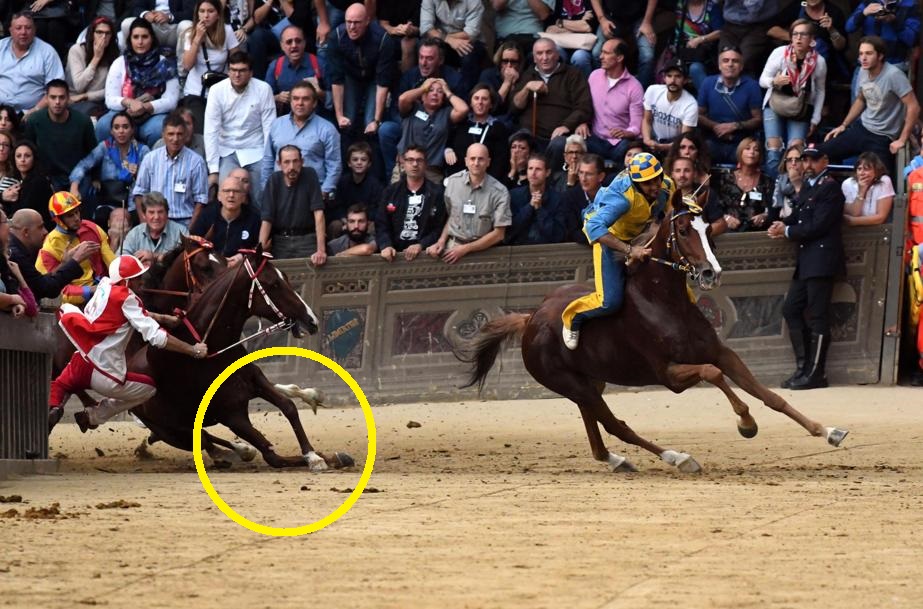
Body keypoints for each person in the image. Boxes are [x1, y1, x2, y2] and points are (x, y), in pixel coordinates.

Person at [52, 254, 208, 433]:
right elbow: (157, 338)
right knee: (149, 389)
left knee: (58, 386)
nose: (141, 281)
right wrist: (193, 350)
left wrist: (163, 318)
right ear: (126, 282)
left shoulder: (105, 285)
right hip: (104, 372)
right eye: (137, 278)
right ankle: (96, 415)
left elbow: (131, 312)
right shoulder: (127, 298)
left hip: (80, 360)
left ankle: (49, 417)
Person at [561, 152, 675, 350]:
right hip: (611, 237)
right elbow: (594, 228)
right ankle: (573, 316)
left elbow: (669, 207)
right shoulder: (622, 199)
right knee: (610, 302)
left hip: (639, 230)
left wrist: (658, 223)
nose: (655, 186)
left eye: (657, 179)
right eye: (648, 183)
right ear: (636, 183)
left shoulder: (666, 184)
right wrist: (630, 250)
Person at [767, 144, 844, 390]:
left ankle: (815, 373)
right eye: (805, 160)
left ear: (825, 161)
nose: (807, 165)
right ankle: (803, 368)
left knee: (818, 316)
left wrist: (787, 230)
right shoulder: (811, 187)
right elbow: (799, 216)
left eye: (813, 160)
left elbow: (818, 225)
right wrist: (781, 224)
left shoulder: (831, 187)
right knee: (791, 309)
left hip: (821, 260)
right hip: (808, 260)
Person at [821, 36, 919, 177]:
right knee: (818, 153)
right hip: (862, 128)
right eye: (861, 54)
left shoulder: (894, 75)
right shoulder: (862, 71)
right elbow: (861, 99)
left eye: (868, 53)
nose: (863, 58)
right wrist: (844, 124)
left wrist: (902, 140)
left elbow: (913, 106)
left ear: (880, 56)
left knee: (883, 179)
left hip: (883, 136)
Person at [203, 51, 276, 206]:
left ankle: (261, 229)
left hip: (256, 149)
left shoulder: (264, 89)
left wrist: (269, 161)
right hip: (227, 150)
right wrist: (214, 170)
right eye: (233, 70)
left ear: (251, 73)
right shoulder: (216, 90)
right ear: (228, 71)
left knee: (261, 195)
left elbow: (270, 128)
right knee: (226, 192)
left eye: (242, 70)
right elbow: (211, 130)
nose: (237, 75)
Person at [758, 20, 827, 177]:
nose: (798, 38)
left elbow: (821, 91)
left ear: (812, 39)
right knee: (773, 149)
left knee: (796, 152)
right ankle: (773, 193)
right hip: (775, 104)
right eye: (795, 34)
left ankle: (793, 192)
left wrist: (815, 119)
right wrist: (774, 82)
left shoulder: (819, 62)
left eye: (803, 34)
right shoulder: (780, 53)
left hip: (801, 108)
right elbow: (763, 80)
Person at [97, 18, 181, 147]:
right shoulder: (120, 62)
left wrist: (145, 107)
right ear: (129, 39)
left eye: (144, 37)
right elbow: (110, 98)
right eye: (136, 37)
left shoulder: (165, 63)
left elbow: (171, 101)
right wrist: (130, 103)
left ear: (152, 38)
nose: (140, 42)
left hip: (153, 114)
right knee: (103, 125)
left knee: (157, 130)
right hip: (123, 113)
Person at [511, 38, 592, 171]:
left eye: (549, 52)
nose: (544, 58)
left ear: (557, 54)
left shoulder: (572, 74)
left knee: (560, 144)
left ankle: (551, 181)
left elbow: (584, 106)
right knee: (519, 143)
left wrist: (566, 125)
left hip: (558, 135)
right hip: (530, 135)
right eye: (539, 53)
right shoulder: (527, 75)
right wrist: (527, 88)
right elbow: (515, 107)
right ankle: (520, 180)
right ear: (534, 57)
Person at [429, 143, 510, 264]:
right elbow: (451, 216)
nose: (476, 163)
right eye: (472, 159)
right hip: (452, 248)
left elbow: (499, 234)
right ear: (466, 161)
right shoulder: (453, 183)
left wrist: (465, 249)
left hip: (484, 252)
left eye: (481, 159)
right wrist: (441, 241)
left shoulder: (500, 192)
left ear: (488, 162)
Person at [260, 81, 340, 202]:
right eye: (296, 99)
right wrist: (266, 189)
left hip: (313, 193)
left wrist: (324, 192)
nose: (300, 103)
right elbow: (268, 159)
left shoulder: (327, 129)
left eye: (305, 99)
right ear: (291, 102)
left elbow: (334, 164)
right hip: (280, 193)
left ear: (314, 103)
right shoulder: (277, 124)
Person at [327, 3, 397, 138]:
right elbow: (337, 78)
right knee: (347, 121)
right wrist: (339, 115)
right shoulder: (337, 36)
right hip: (350, 76)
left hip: (374, 78)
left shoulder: (382, 39)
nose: (352, 27)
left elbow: (383, 82)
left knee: (370, 123)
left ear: (367, 21)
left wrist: (376, 121)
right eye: (349, 22)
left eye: (357, 23)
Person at [37, 192, 117, 307]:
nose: (77, 218)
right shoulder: (49, 247)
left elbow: (113, 264)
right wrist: (90, 290)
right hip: (74, 304)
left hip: (104, 292)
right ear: (59, 219)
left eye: (77, 212)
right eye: (70, 215)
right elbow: (51, 291)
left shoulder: (92, 228)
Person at [69, 112, 150, 225]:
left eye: (125, 127)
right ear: (111, 131)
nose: (121, 131)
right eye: (116, 127)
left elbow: (152, 179)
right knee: (101, 217)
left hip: (133, 203)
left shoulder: (142, 150)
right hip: (109, 201)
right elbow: (84, 165)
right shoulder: (105, 147)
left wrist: (138, 174)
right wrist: (74, 186)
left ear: (132, 130)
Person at [132, 112, 209, 227]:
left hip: (184, 221)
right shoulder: (150, 159)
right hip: (154, 221)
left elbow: (201, 200)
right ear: (163, 135)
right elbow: (139, 193)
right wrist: (144, 223)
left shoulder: (196, 162)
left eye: (179, 134)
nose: (175, 139)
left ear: (185, 134)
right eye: (171, 134)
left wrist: (189, 232)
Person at [577, 37, 643, 169]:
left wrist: (626, 133)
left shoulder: (634, 87)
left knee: (628, 149)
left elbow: (636, 126)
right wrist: (582, 122)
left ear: (619, 58)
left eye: (606, 53)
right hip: (595, 138)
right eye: (601, 52)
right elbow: (584, 105)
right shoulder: (594, 76)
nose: (601, 56)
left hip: (619, 144)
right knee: (577, 141)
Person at [24, 80, 99, 195]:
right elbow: (28, 150)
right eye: (53, 97)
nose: (57, 102)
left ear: (68, 98)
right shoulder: (34, 121)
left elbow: (92, 153)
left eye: (61, 97)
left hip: (77, 176)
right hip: (48, 177)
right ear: (46, 98)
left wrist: (95, 178)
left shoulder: (83, 121)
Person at [377, 146, 447, 262]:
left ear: (426, 164)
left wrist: (421, 245)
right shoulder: (390, 192)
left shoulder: (437, 193)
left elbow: (439, 228)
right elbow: (381, 224)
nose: (415, 164)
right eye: (410, 160)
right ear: (403, 163)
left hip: (426, 254)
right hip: (394, 254)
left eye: (419, 160)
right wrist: (386, 245)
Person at [393, 77, 469, 183]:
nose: (435, 94)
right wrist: (423, 88)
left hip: (431, 171)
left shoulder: (446, 113)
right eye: (430, 90)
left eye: (440, 91)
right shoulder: (413, 108)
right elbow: (403, 99)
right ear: (422, 96)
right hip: (406, 166)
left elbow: (463, 109)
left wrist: (447, 91)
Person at [179, 0, 240, 130]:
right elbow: (187, 66)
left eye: (210, 11)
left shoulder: (227, 30)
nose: (206, 15)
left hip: (221, 90)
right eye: (202, 11)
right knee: (201, 129)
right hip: (196, 92)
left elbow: (237, 60)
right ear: (197, 14)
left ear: (218, 14)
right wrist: (197, 39)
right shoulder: (191, 33)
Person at [259, 145, 326, 264]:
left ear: (302, 162)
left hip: (307, 239)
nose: (292, 167)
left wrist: (321, 250)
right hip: (281, 241)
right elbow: (267, 219)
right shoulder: (274, 180)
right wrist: (260, 250)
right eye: (287, 162)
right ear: (279, 164)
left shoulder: (310, 175)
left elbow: (318, 213)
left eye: (295, 161)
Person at [697, 45, 763, 165]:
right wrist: (716, 127)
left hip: (741, 141)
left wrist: (735, 126)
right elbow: (699, 115)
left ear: (741, 66)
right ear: (719, 65)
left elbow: (758, 119)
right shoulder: (708, 83)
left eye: (735, 61)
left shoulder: (752, 86)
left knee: (749, 152)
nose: (730, 64)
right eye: (725, 60)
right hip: (713, 139)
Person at [8, 208, 92, 301]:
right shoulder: (15, 255)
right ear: (26, 232)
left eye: (77, 212)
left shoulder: (17, 250)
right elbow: (45, 288)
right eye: (40, 227)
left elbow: (40, 282)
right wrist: (75, 261)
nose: (45, 232)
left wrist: (65, 263)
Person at [0, 12, 65, 115]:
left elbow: (56, 89)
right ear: (11, 31)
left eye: (28, 28)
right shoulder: (1, 47)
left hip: (33, 113)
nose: (23, 32)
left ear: (35, 30)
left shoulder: (47, 52)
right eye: (18, 28)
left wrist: (35, 110)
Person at [445, 84, 510, 181]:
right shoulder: (461, 123)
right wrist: (447, 150)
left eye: (484, 99)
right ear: (470, 102)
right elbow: (448, 142)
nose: (480, 102)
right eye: (476, 98)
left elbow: (500, 161)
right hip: (459, 181)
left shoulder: (498, 128)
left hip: (485, 183)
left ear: (491, 104)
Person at [190, 176, 260, 264]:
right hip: (210, 266)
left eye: (236, 191)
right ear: (219, 196)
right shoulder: (207, 215)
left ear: (243, 197)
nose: (231, 195)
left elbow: (258, 248)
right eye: (227, 191)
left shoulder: (253, 219)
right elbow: (194, 244)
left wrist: (242, 257)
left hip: (239, 268)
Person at [589, 0, 657, 88]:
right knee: (596, 53)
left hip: (640, 18)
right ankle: (602, 89)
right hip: (611, 17)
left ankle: (641, 95)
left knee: (648, 57)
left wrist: (647, 21)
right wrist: (602, 19)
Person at [420, 0, 485, 92]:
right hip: (441, 40)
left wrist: (442, 36)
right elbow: (426, 28)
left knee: (469, 56)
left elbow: (470, 33)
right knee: (424, 47)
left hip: (467, 41)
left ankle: (465, 97)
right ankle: (424, 91)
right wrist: (448, 40)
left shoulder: (474, 2)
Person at [714, 138, 774, 233]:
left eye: (756, 149)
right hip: (728, 232)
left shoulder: (767, 180)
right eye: (747, 148)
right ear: (740, 152)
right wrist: (726, 218)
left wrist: (764, 216)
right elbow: (714, 206)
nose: (752, 152)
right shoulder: (725, 178)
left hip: (756, 233)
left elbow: (772, 208)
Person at [505, 153, 567, 245]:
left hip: (548, 251)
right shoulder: (514, 195)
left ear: (547, 172)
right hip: (517, 250)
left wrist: (539, 209)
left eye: (538, 169)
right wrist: (530, 206)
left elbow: (557, 235)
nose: (533, 173)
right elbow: (509, 231)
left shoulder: (558, 199)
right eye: (530, 168)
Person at [66, 16, 121, 118]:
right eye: (99, 32)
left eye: (107, 33)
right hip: (75, 102)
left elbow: (113, 89)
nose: (103, 37)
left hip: (101, 101)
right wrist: (96, 58)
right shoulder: (77, 50)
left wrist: (86, 96)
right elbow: (79, 86)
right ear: (92, 34)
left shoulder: (115, 54)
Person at [642, 59, 698, 157]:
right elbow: (646, 120)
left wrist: (662, 147)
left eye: (678, 76)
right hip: (653, 139)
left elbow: (684, 140)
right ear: (664, 78)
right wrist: (647, 140)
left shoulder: (691, 104)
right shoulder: (652, 91)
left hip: (675, 145)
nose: (673, 81)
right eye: (669, 76)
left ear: (685, 80)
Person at [664, 0, 723, 92]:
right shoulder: (680, 4)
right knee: (669, 69)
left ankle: (708, 101)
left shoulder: (712, 7)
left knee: (695, 69)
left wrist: (701, 39)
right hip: (680, 52)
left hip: (703, 55)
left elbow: (720, 32)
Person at [265, 25, 324, 115]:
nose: (294, 45)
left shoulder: (318, 64)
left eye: (298, 41)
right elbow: (265, 98)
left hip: (316, 118)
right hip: (286, 121)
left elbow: (336, 96)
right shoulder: (275, 67)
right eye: (289, 42)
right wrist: (278, 98)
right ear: (282, 45)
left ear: (304, 43)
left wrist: (320, 93)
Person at [121, 192, 189, 265]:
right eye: (151, 212)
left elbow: (185, 260)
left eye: (160, 212)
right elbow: (120, 258)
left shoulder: (181, 232)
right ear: (144, 215)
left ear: (167, 214)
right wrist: (136, 262)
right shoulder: (135, 233)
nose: (156, 217)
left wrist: (155, 256)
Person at [332, 141, 382, 237]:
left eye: (363, 160)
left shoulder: (375, 184)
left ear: (369, 163)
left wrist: (364, 221)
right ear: (349, 163)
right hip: (346, 220)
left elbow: (378, 208)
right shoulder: (342, 182)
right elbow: (337, 206)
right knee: (335, 226)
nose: (359, 163)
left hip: (367, 221)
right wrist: (345, 220)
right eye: (355, 160)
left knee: (375, 227)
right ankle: (336, 251)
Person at [719, 0, 779, 77]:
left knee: (743, 61)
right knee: (725, 59)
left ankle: (747, 87)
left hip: (757, 25)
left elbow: (754, 9)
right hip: (730, 24)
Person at [671, 155, 727, 237]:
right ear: (672, 174)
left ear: (694, 174)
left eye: (687, 170)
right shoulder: (665, 194)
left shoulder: (706, 193)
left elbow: (720, 224)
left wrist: (698, 236)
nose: (682, 175)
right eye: (678, 171)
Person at [9, 140, 56, 230]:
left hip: (40, 231)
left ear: (34, 158)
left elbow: (23, 213)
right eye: (18, 156)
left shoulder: (39, 181)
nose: (22, 160)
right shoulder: (18, 181)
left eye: (27, 156)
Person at [561, 152, 607, 243]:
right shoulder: (570, 197)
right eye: (581, 173)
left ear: (601, 176)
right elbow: (573, 232)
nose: (583, 178)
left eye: (589, 174)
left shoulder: (611, 195)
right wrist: (600, 239)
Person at [0, 209, 37, 319]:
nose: (10, 228)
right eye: (7, 222)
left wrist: (14, 303)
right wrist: (11, 299)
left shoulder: (4, 262)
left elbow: (31, 308)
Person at [842, 152, 894, 226]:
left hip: (879, 231)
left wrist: (852, 221)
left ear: (876, 171)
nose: (862, 173)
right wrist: (861, 191)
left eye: (866, 169)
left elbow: (881, 218)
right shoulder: (847, 183)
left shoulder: (884, 181)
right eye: (859, 169)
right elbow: (854, 213)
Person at [120, 0, 196, 49]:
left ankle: (183, 71)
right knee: (127, 24)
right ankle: (130, 64)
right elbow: (136, 7)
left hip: (174, 27)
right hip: (151, 27)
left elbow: (190, 12)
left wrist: (169, 17)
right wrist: (146, 14)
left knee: (187, 25)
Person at [769, 144, 805, 222]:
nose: (793, 163)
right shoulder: (779, 181)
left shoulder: (812, 182)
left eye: (797, 159)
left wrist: (797, 184)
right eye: (789, 160)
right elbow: (773, 213)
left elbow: (806, 211)